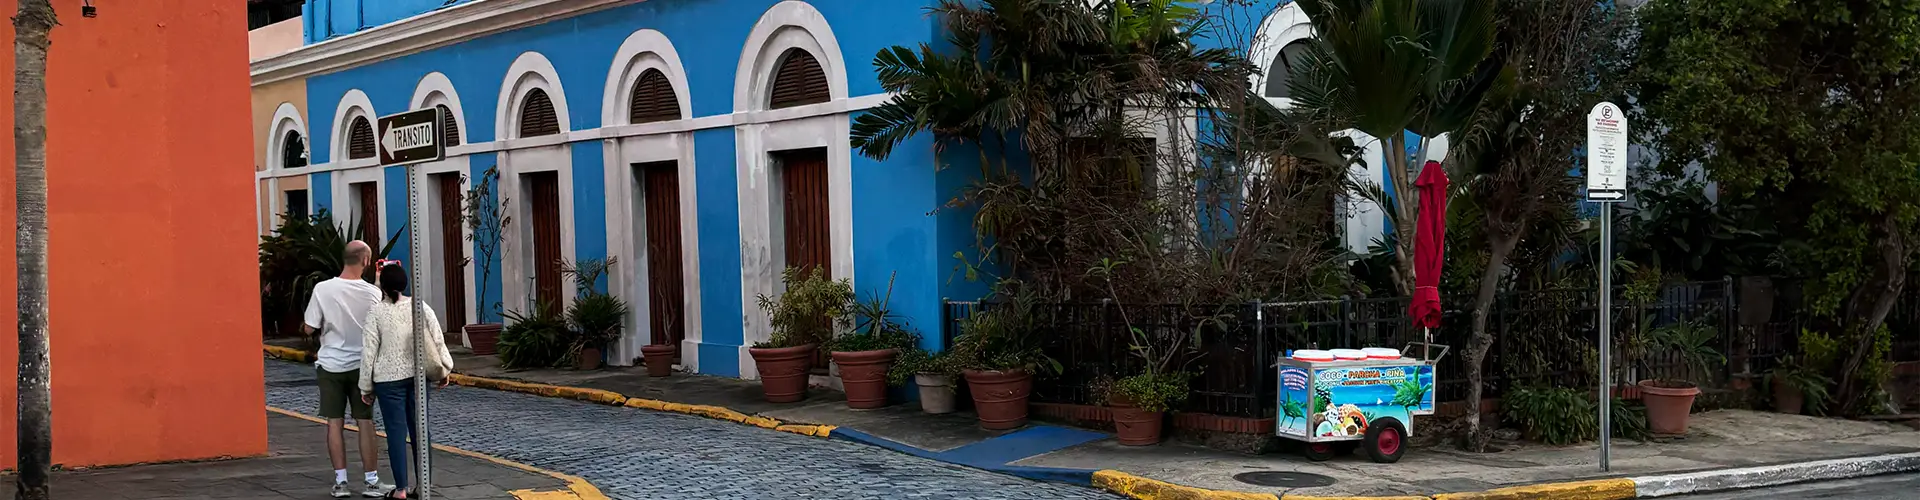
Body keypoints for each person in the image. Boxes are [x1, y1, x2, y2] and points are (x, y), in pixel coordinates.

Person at [303, 240, 391, 498]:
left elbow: (310, 326)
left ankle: (341, 482)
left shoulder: (322, 289)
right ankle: (371, 482)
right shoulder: (372, 293)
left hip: (331, 365)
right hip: (362, 367)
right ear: (365, 261)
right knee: (365, 422)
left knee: (334, 423)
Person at [359, 261, 454, 499]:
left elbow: (369, 351)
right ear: (404, 284)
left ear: (382, 285)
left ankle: (400, 488)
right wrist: (445, 368)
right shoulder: (419, 306)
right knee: (421, 430)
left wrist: (365, 386)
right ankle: (423, 486)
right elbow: (437, 339)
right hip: (418, 376)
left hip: (387, 380)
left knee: (395, 433)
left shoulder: (376, 312)